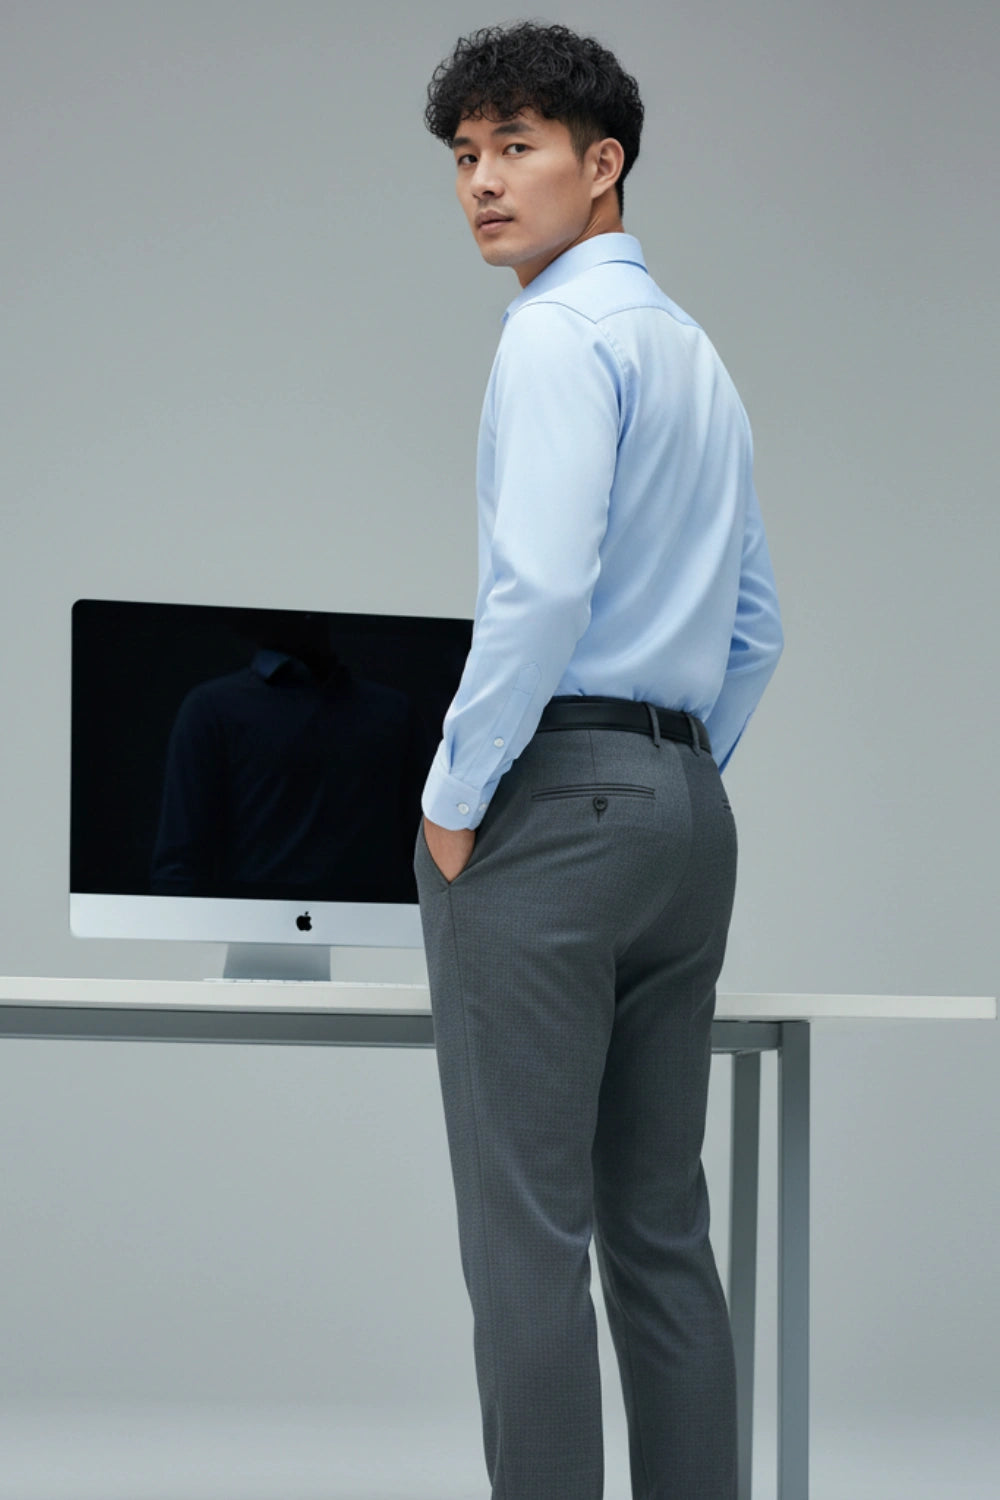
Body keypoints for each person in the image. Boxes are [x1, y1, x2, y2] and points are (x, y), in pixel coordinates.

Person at [413, 21, 783, 1500]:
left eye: (518, 148)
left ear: (603, 163)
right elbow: (757, 626)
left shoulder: (557, 336)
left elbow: (543, 591)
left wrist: (454, 799)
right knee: (659, 1228)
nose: (485, 185)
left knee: (528, 1242)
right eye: (465, 157)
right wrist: (674, 774)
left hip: (556, 814)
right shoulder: (696, 355)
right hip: (689, 817)